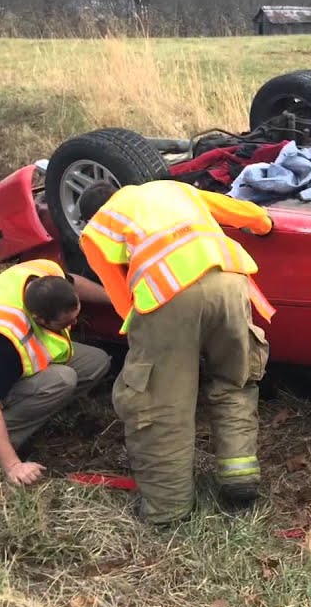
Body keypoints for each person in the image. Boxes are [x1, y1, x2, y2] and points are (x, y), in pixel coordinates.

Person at [76, 178, 275, 525]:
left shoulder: (98, 227)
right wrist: (265, 224)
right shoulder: (172, 188)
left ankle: (168, 510)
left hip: (169, 295)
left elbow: (121, 296)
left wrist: (144, 337)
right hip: (230, 281)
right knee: (234, 380)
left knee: (162, 402)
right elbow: (248, 214)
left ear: (89, 214)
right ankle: (239, 475)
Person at [0, 258, 113, 486]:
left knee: (97, 362)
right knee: (62, 380)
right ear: (40, 319)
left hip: (22, 360)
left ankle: (38, 406)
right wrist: (13, 466)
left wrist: (115, 300)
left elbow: (75, 284)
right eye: (65, 323)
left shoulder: (46, 274)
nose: (73, 323)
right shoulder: (5, 342)